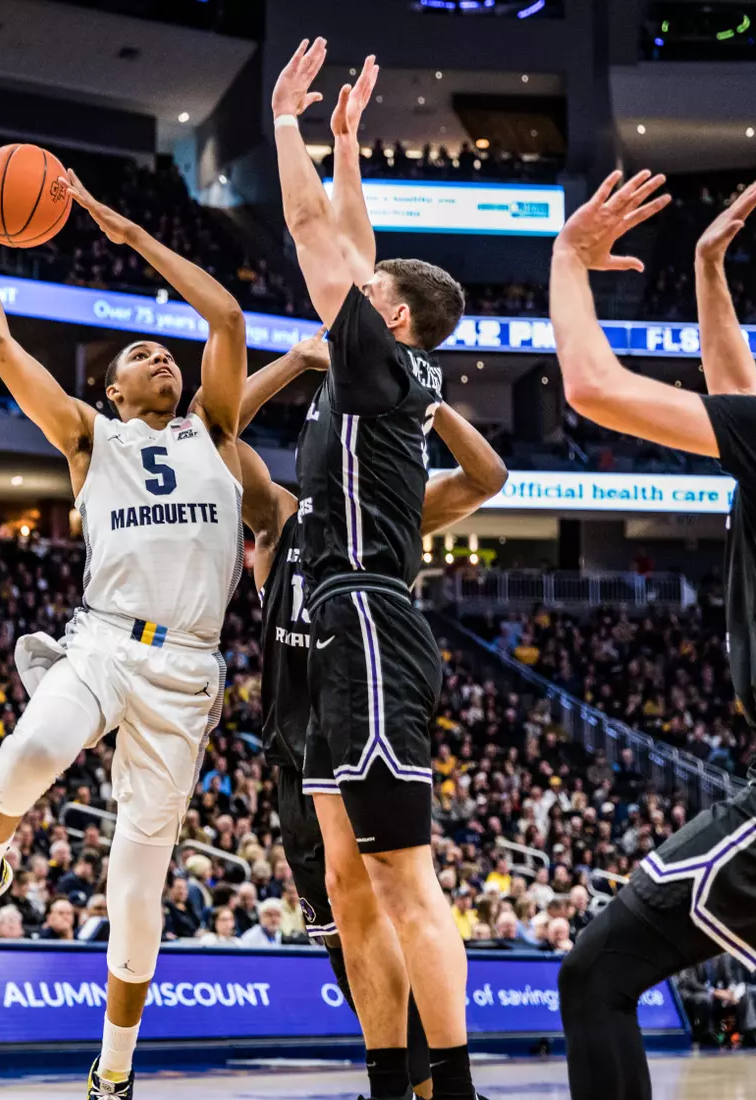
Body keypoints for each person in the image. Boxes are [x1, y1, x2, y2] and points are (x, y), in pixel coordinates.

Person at [0, 161, 249, 1100]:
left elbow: (225, 319)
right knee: (29, 750)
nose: (161, 356)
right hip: (101, 640)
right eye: (140, 354)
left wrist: (128, 233)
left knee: (135, 898)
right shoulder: (89, 436)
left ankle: (114, 1074)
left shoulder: (216, 429)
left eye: (163, 352)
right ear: (113, 386)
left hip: (187, 675)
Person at [548, 164, 756, 1100]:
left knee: (594, 977)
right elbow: (746, 395)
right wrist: (706, 266)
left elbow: (593, 387)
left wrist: (567, 259)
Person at [272, 44, 477, 1100]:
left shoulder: (378, 365)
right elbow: (358, 239)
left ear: (384, 318)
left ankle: (456, 1084)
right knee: (352, 881)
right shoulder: (387, 359)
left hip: (367, 616)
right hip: (336, 627)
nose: (348, 289)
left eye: (367, 292)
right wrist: (347, 142)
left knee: (402, 873)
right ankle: (389, 1081)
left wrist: (282, 123)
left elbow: (317, 232)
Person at [235, 316, 506, 1098]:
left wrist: (425, 403)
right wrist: (292, 359)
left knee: (394, 896)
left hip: (358, 698)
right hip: (293, 747)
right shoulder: (280, 515)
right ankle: (396, 1077)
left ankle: (430, 1087)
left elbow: (487, 478)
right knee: (344, 932)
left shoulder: (381, 514)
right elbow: (212, 427)